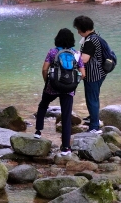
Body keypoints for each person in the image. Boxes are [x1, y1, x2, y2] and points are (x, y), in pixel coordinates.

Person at [34, 28, 83, 156]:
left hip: (52, 86)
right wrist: (73, 83)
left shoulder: (53, 51)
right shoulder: (76, 54)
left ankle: (38, 132)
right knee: (66, 116)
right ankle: (66, 147)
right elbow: (83, 74)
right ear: (72, 40)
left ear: (58, 39)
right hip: (69, 89)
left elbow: (45, 69)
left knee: (43, 106)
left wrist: (47, 82)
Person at [74, 15, 106, 133]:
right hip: (100, 72)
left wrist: (75, 56)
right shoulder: (95, 36)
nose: (78, 32)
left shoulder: (90, 41)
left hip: (93, 75)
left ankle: (94, 127)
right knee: (94, 98)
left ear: (85, 29)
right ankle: (94, 118)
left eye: (78, 29)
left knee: (91, 99)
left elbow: (85, 59)